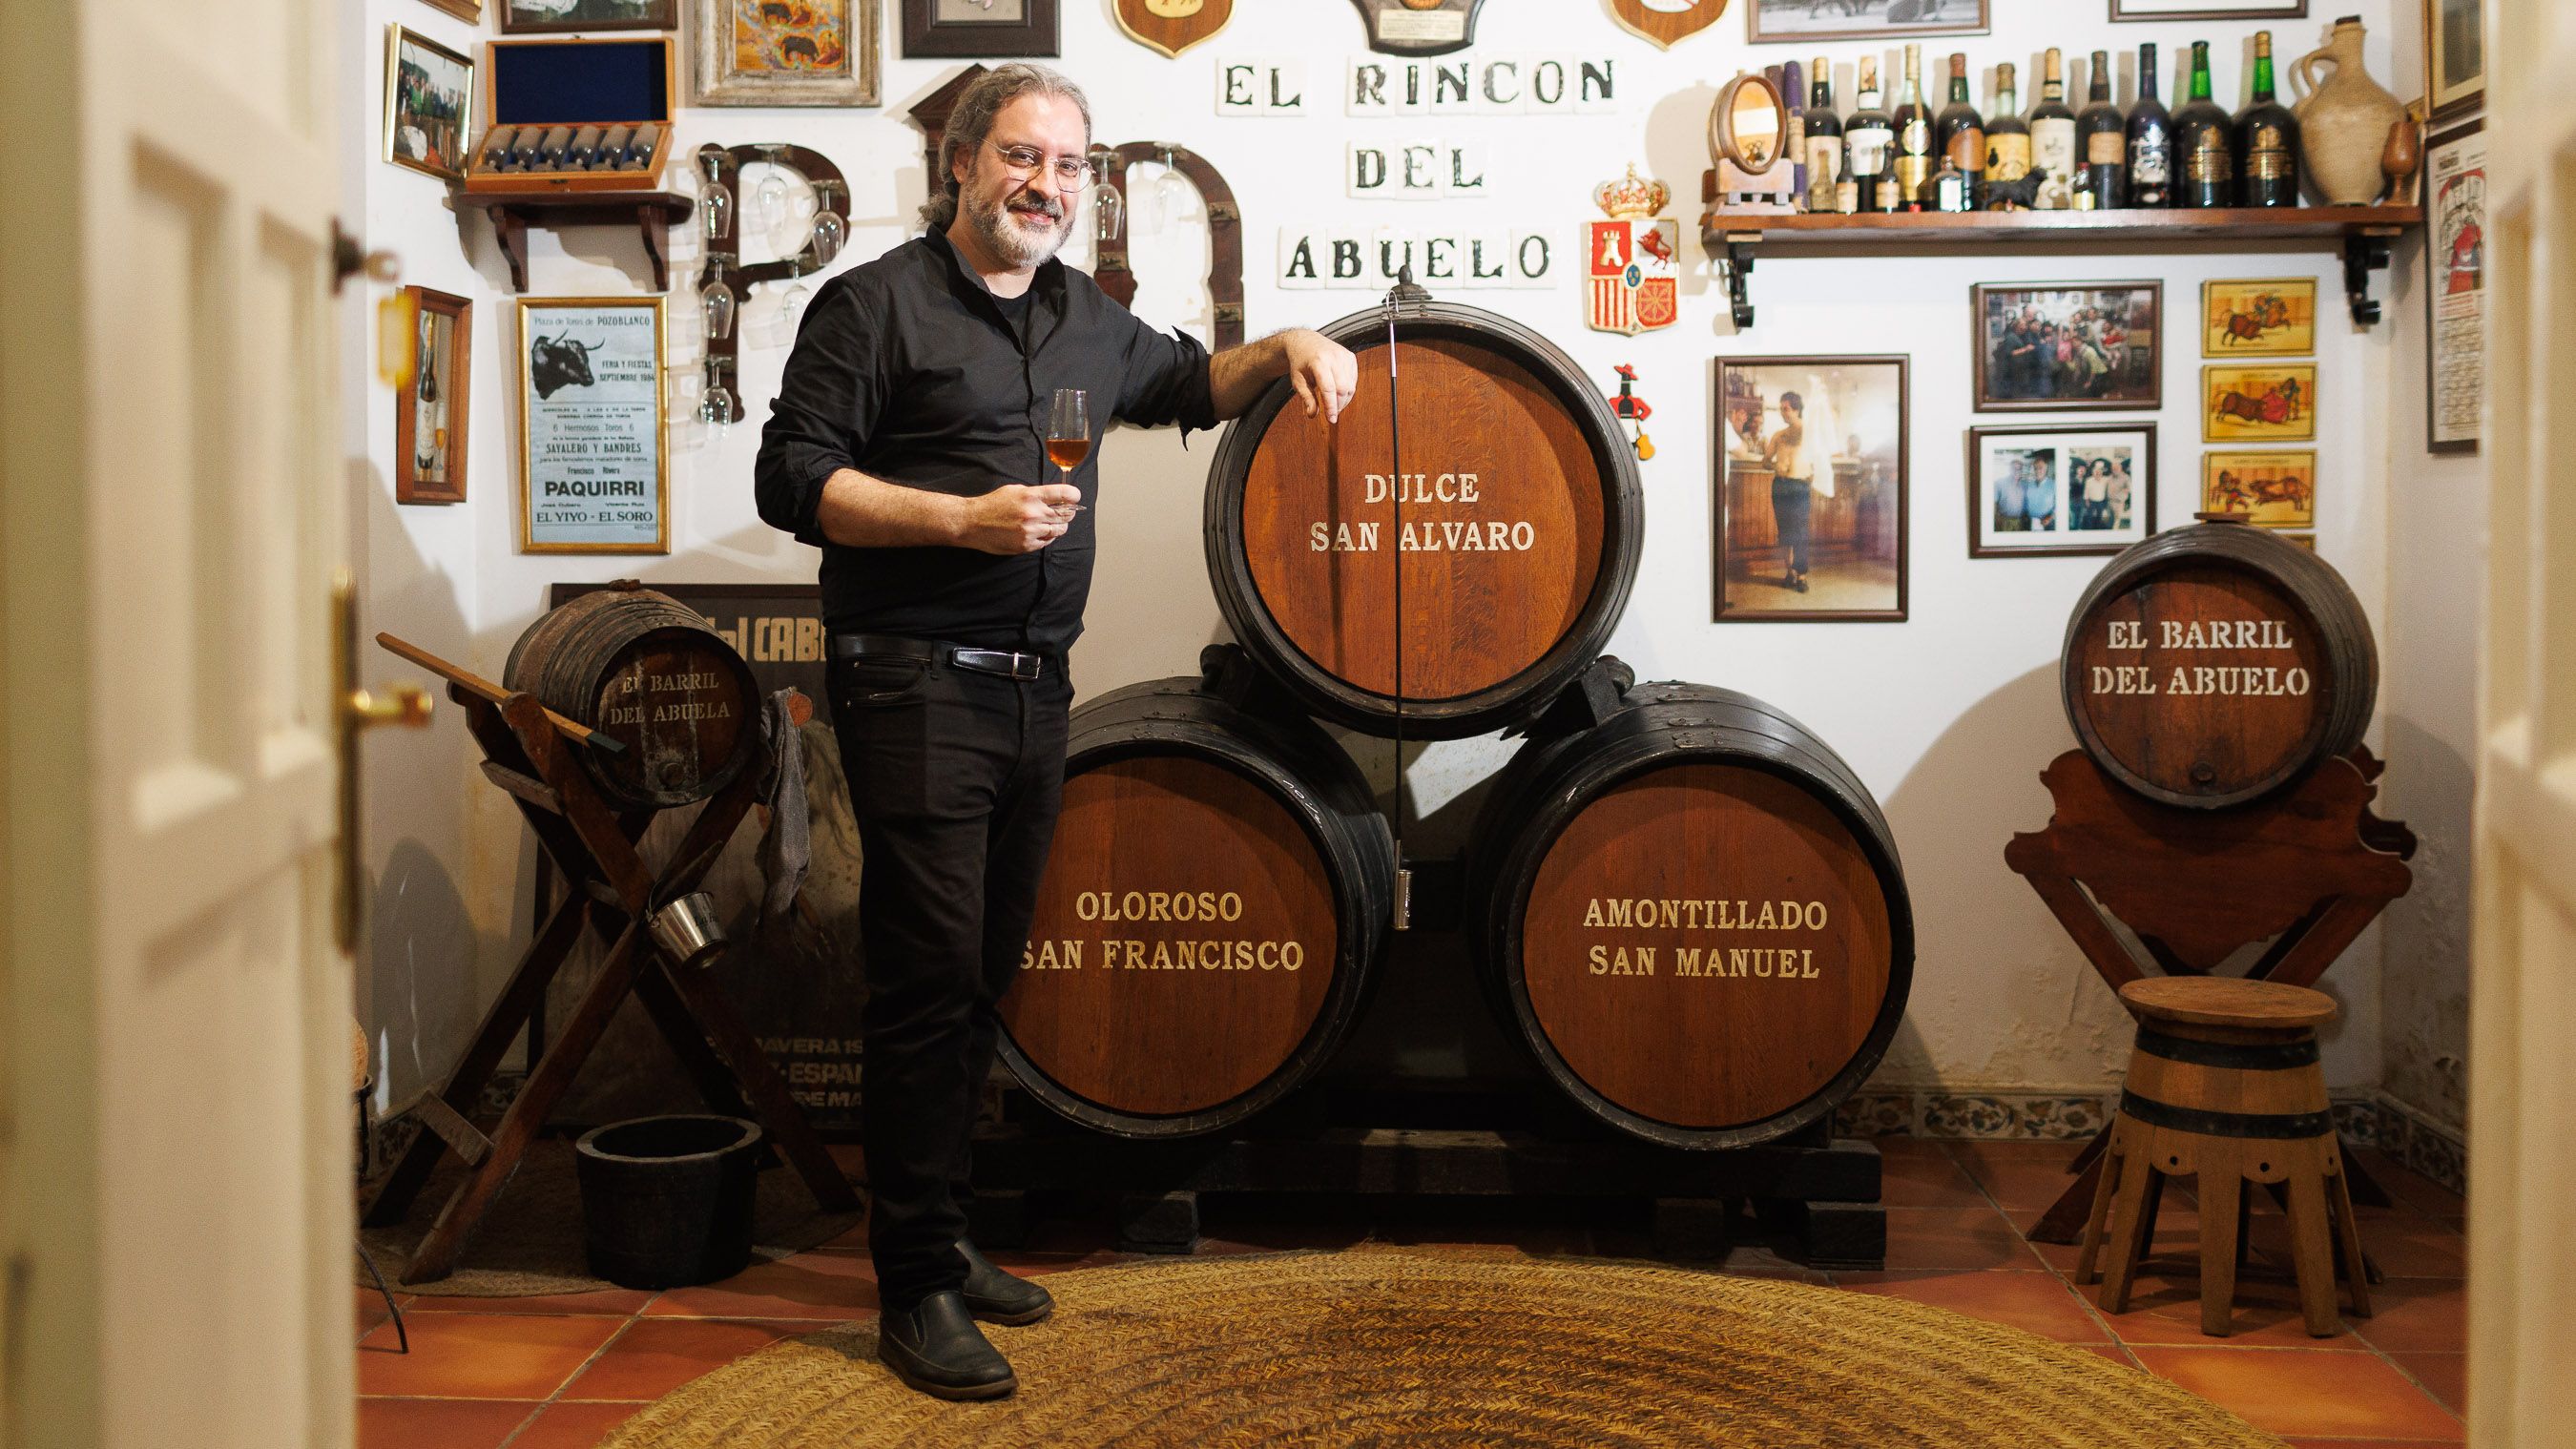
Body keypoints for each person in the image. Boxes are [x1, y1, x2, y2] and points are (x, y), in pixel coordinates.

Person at [752, 63, 1357, 1402]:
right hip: (912, 675)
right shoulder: (874, 305)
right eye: (1023, 156)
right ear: (963, 164)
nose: (1047, 184)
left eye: (1071, 165)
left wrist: (1296, 344)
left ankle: (945, 1232)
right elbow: (790, 475)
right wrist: (957, 519)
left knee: (982, 969)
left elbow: (1196, 384)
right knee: (923, 981)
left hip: (1034, 682)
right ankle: (910, 1280)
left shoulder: (1089, 318)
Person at [1762, 391, 1815, 591]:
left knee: (1800, 532)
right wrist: (1774, 465)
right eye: (1781, 409)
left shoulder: (1808, 433)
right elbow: (1765, 461)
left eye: (1786, 409)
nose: (1782, 413)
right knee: (1785, 532)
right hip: (1781, 486)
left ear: (1796, 409)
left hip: (1800, 485)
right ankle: (1790, 573)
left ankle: (1801, 576)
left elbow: (1819, 457)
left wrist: (1813, 473)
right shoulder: (1779, 435)